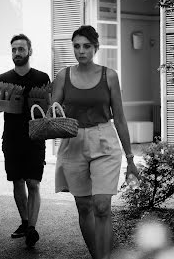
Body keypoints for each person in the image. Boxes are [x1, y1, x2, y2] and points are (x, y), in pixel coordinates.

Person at [51, 25, 139, 259]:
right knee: (84, 206)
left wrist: (131, 159)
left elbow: (119, 118)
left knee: (101, 206)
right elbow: (52, 112)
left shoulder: (109, 75)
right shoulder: (63, 76)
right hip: (74, 141)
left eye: (87, 46)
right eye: (77, 46)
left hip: (104, 140)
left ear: (96, 48)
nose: (81, 51)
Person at [0, 34, 50, 247]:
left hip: (35, 137)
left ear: (30, 51)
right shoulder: (3, 78)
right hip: (11, 138)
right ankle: (24, 222)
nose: (17, 53)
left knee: (33, 182)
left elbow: (49, 108)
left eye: (21, 49)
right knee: (17, 181)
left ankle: (31, 228)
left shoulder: (42, 78)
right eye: (14, 49)